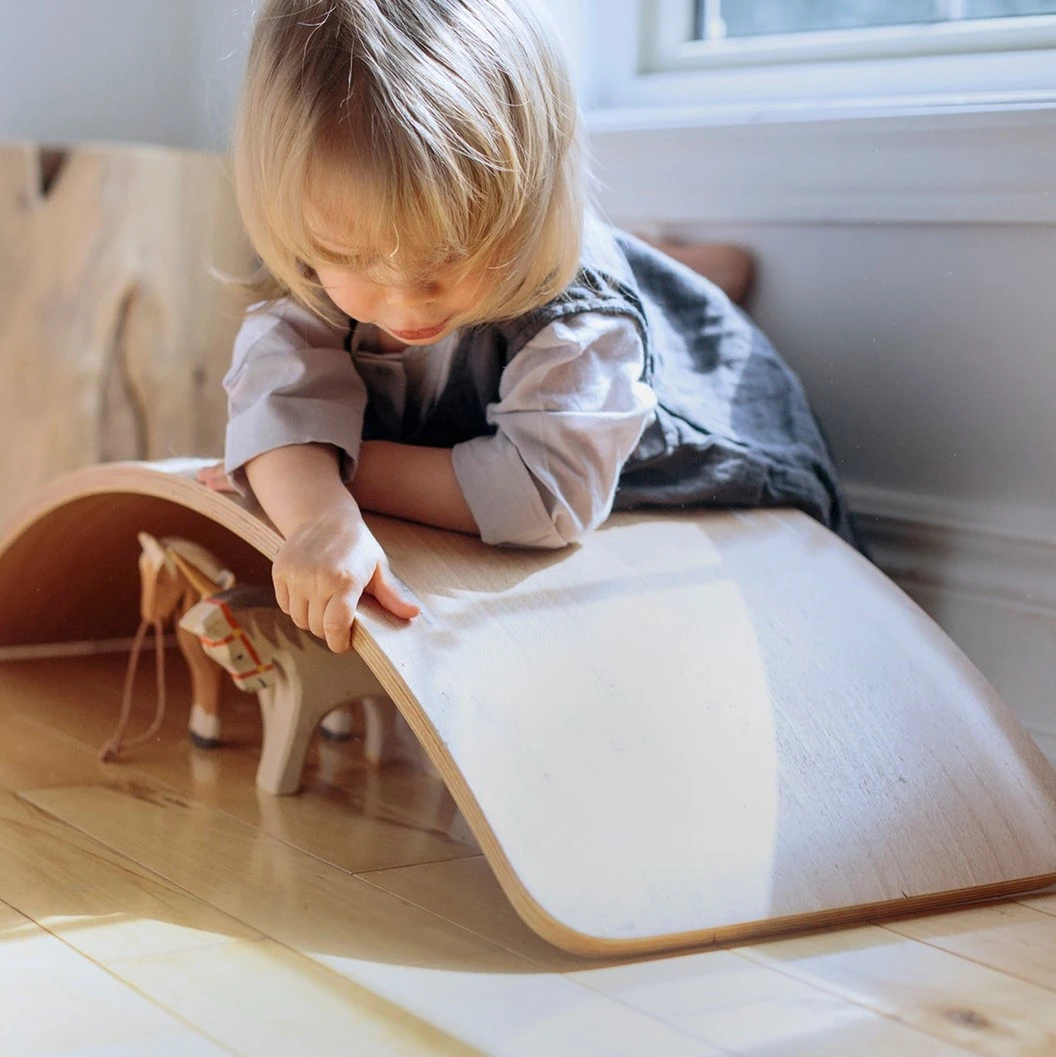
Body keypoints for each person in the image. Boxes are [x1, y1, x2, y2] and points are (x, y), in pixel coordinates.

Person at [200, 0, 868, 655]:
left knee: (586, 300)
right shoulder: (316, 271)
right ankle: (678, 267)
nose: (405, 304)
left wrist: (328, 464)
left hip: (712, 458)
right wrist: (317, 512)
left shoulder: (577, 316)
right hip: (516, 372)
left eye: (447, 258)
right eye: (354, 261)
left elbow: (545, 499)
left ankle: (677, 286)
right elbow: (275, 402)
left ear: (531, 205)